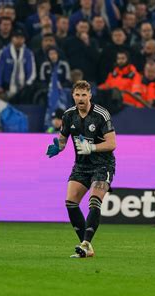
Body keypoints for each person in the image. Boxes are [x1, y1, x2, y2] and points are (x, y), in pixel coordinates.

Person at [46, 80, 116, 258]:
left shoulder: (101, 114)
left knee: (94, 200)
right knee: (70, 202)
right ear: (73, 96)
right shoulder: (69, 115)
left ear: (90, 96)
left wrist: (92, 148)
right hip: (81, 166)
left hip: (103, 165)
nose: (81, 98)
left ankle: (85, 244)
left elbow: (112, 143)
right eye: (77, 95)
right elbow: (62, 139)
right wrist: (58, 147)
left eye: (84, 95)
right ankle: (86, 245)